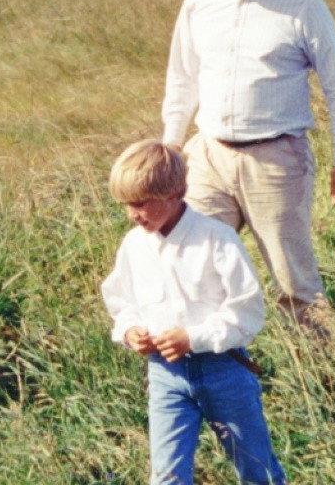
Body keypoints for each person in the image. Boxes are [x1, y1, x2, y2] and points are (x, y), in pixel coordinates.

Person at [161, 0, 335, 326]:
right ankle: (209, 373)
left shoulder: (304, 5)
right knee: (189, 263)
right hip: (207, 157)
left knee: (294, 285)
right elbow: (183, 74)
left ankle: (323, 382)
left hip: (276, 161)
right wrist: (171, 145)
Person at [100, 141, 285, 485]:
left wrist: (193, 337)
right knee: (167, 475)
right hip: (165, 376)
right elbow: (121, 301)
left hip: (224, 369)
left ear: (176, 193)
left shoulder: (217, 238)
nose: (132, 214)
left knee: (256, 469)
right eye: (126, 205)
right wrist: (130, 330)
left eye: (140, 204)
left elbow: (246, 308)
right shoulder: (134, 246)